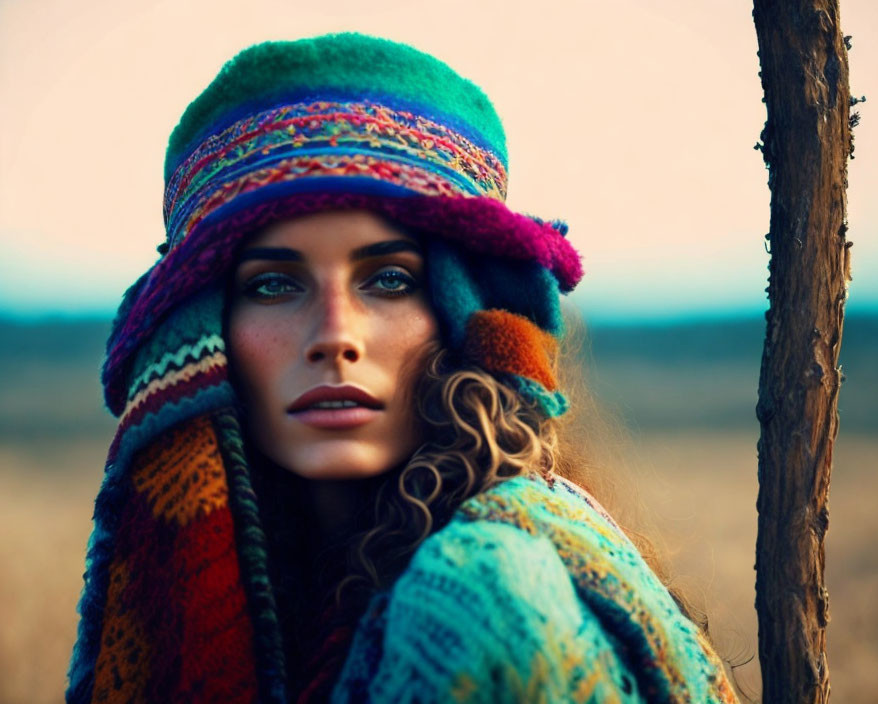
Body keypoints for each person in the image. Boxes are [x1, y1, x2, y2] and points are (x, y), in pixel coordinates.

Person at [67, 33, 737, 703]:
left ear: (460, 312)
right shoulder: (264, 589)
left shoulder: (479, 596)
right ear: (203, 337)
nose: (335, 336)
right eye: (274, 285)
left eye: (388, 279)